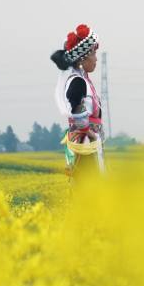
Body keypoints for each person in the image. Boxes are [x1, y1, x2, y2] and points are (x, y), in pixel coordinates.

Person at [50, 24, 105, 181]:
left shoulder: (83, 80)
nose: (96, 58)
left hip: (88, 145)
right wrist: (90, 134)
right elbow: (76, 111)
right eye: (94, 53)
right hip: (85, 146)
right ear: (83, 57)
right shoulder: (78, 82)